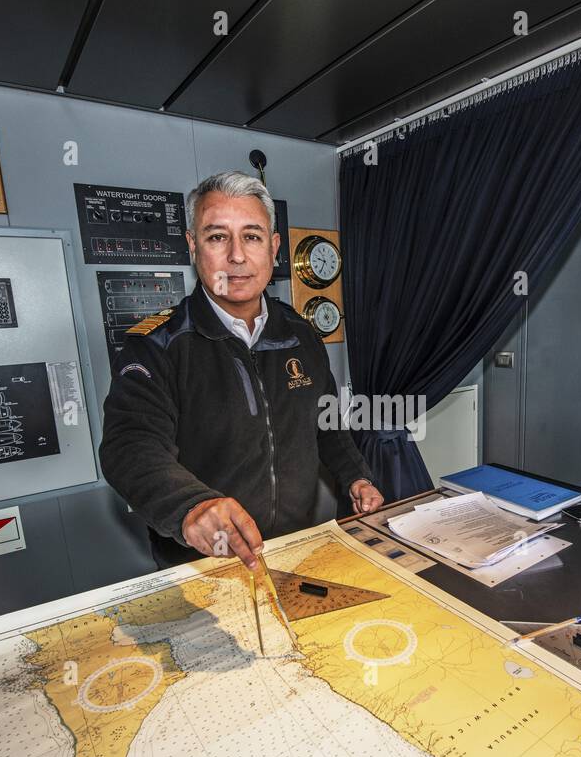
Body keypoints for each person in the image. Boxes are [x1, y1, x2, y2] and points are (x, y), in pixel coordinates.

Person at [100, 170, 384, 570]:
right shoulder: (155, 344)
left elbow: (328, 423)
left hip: (292, 549)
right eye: (217, 237)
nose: (236, 256)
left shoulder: (301, 335)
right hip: (202, 560)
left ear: (273, 247)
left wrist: (356, 476)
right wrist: (191, 506)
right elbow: (130, 445)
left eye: (251, 236)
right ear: (193, 246)